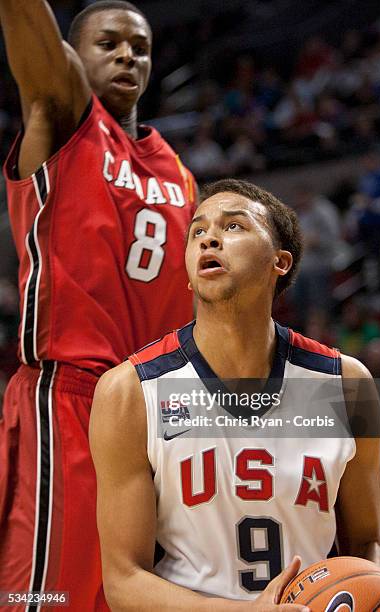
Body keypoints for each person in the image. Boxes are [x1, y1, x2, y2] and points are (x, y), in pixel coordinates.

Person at [91, 179, 380, 610]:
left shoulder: (347, 387)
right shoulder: (129, 392)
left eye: (234, 226)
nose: (209, 237)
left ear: (281, 262)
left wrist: (377, 585)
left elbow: (366, 543)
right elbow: (123, 581)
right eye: (198, 231)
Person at [0, 1, 196, 609]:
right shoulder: (61, 114)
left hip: (160, 420)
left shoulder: (183, 177)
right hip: (73, 398)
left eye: (138, 46)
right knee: (49, 597)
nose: (126, 55)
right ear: (74, 54)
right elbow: (29, 27)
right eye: (106, 43)